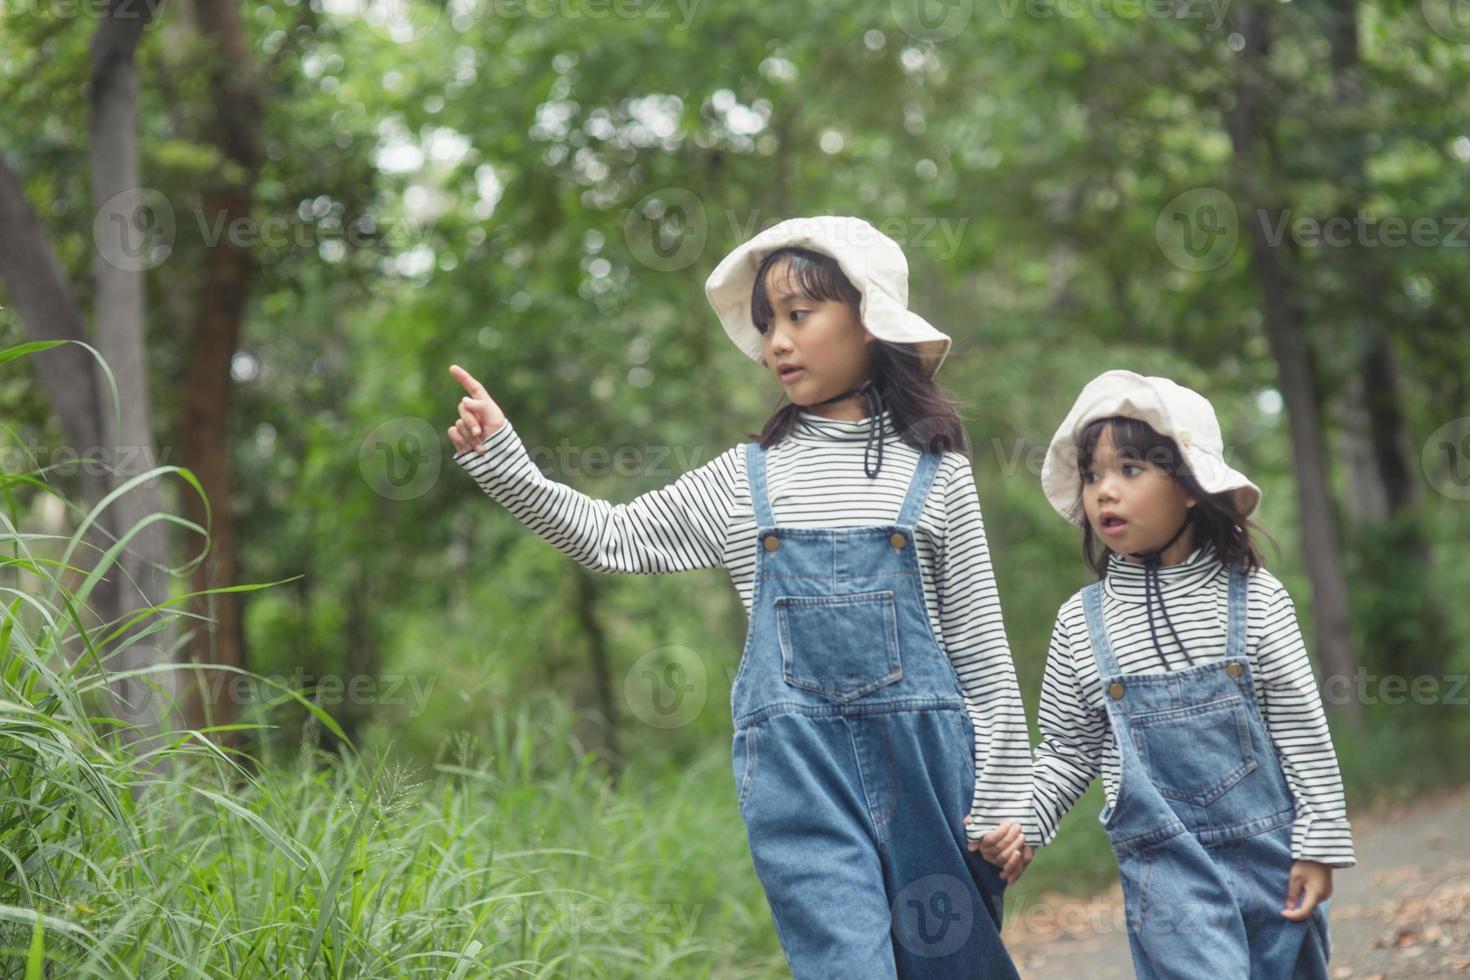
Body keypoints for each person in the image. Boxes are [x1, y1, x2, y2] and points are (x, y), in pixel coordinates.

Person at [446, 215, 1032, 977]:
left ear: (869, 320)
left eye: (798, 315)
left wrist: (1005, 801)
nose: (776, 342)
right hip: (801, 785)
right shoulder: (743, 478)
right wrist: (505, 461)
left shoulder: (937, 473)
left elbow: (982, 653)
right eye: (765, 324)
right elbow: (611, 535)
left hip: (932, 784)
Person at [1026, 368, 1355, 978]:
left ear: (1189, 486)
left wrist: (1320, 845)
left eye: (1130, 469)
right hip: (1163, 869)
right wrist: (1023, 827)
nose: (1104, 491)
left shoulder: (1255, 598)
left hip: (1274, 859)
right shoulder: (1081, 622)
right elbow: (1069, 751)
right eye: (1092, 474)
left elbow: (1301, 729)